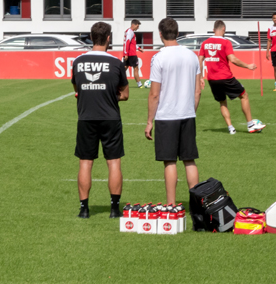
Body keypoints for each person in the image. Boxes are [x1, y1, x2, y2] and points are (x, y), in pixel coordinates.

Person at [72, 22, 130, 219]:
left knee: (85, 163)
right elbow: (125, 95)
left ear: (91, 37)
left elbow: (77, 90)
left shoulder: (78, 62)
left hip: (86, 117)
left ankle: (84, 209)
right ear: (108, 38)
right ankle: (114, 210)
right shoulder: (116, 63)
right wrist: (110, 95)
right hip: (110, 117)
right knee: (113, 162)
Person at [144, 17, 202, 206]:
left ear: (160, 34)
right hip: (187, 114)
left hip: (167, 115)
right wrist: (190, 110)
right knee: (189, 160)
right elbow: (198, 89)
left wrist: (149, 121)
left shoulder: (159, 57)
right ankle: (196, 205)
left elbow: (154, 94)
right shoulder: (192, 56)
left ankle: (171, 205)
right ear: (177, 34)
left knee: (169, 162)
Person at [197, 20, 264, 135]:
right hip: (225, 77)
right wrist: (248, 66)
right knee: (244, 96)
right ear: (224, 29)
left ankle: (231, 128)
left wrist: (200, 77)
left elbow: (200, 60)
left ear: (213, 30)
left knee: (222, 102)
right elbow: (233, 59)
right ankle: (250, 125)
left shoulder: (205, 43)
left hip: (212, 79)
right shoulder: (226, 42)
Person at [122, 19, 144, 87]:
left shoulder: (130, 32)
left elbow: (132, 43)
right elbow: (127, 42)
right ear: (133, 25)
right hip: (131, 54)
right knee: (136, 68)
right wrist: (125, 53)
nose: (138, 27)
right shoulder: (130, 32)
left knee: (124, 68)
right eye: (137, 26)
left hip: (129, 53)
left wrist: (139, 48)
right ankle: (139, 84)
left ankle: (116, 81)